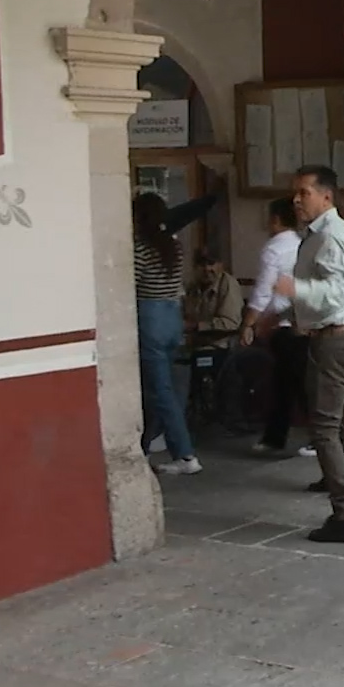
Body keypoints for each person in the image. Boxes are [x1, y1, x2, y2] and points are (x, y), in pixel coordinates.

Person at [273, 165, 344, 542]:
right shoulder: (331, 234)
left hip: (337, 340)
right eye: (295, 193)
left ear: (326, 196)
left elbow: (334, 292)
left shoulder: (331, 237)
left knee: (326, 428)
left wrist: (295, 290)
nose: (296, 200)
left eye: (304, 192)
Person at [132, 193, 202, 476]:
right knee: (161, 388)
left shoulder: (139, 249)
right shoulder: (174, 247)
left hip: (150, 318)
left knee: (161, 391)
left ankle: (184, 454)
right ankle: (148, 443)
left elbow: (130, 284)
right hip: (172, 317)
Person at [242, 197, 307, 455]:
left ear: (276, 219)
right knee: (286, 382)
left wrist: (249, 322)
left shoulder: (274, 249)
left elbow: (263, 291)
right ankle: (274, 436)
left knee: (295, 385)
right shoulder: (302, 244)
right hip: (304, 322)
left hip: (282, 324)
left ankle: (314, 437)